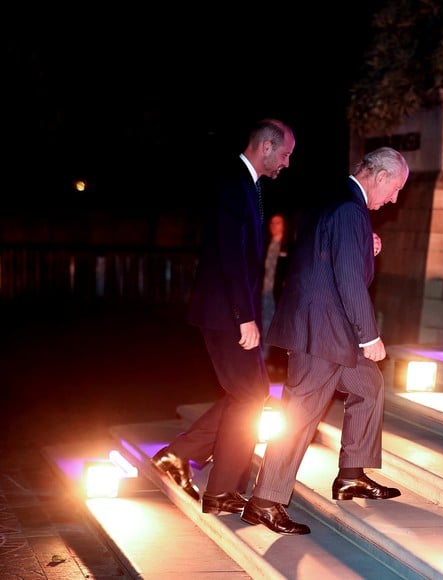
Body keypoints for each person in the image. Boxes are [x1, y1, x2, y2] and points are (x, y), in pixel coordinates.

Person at [240, 146, 409, 535]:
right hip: (323, 332)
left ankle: (351, 474)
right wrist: (370, 336)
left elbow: (324, 255)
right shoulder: (351, 209)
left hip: (322, 327)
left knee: (368, 384)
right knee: (300, 416)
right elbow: (348, 279)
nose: (395, 198)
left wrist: (366, 244)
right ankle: (265, 502)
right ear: (379, 177)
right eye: (395, 188)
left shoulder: (335, 199)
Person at [151, 118, 296, 516]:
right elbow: (232, 256)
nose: (286, 163)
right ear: (265, 147)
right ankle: (214, 487)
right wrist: (244, 317)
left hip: (225, 310)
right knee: (251, 396)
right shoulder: (234, 182)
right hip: (224, 313)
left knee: (249, 394)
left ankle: (184, 460)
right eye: (284, 154)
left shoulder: (247, 184)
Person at [261, 211, 291, 379]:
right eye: (272, 223)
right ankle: (264, 362)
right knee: (264, 326)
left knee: (276, 329)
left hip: (278, 296)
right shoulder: (266, 245)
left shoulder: (288, 247)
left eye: (278, 223)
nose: (274, 226)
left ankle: (278, 364)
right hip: (264, 293)